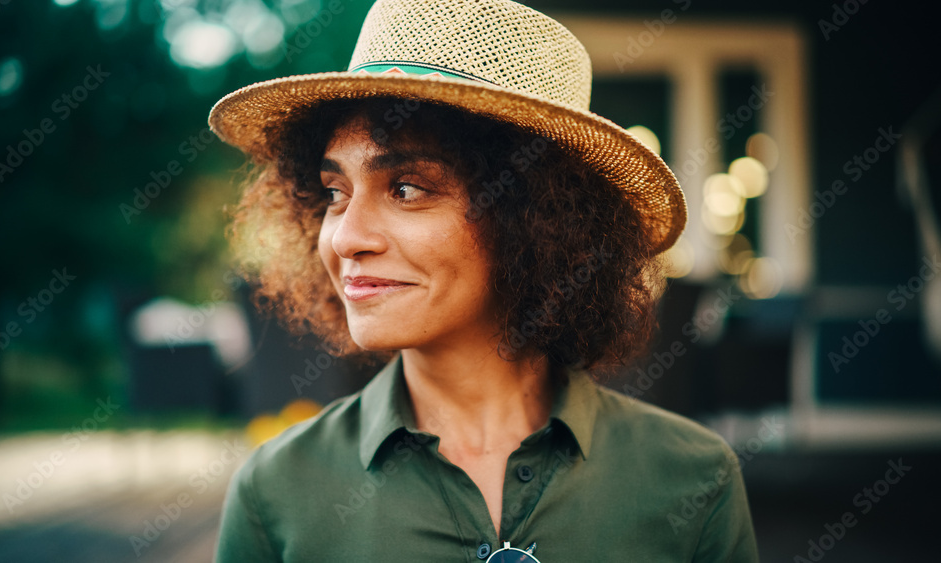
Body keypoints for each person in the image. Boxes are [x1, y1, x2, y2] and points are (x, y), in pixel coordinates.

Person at [208, 0, 759, 560]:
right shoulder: (275, 493)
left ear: (539, 216)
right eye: (334, 193)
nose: (347, 239)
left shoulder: (694, 481)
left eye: (406, 188)